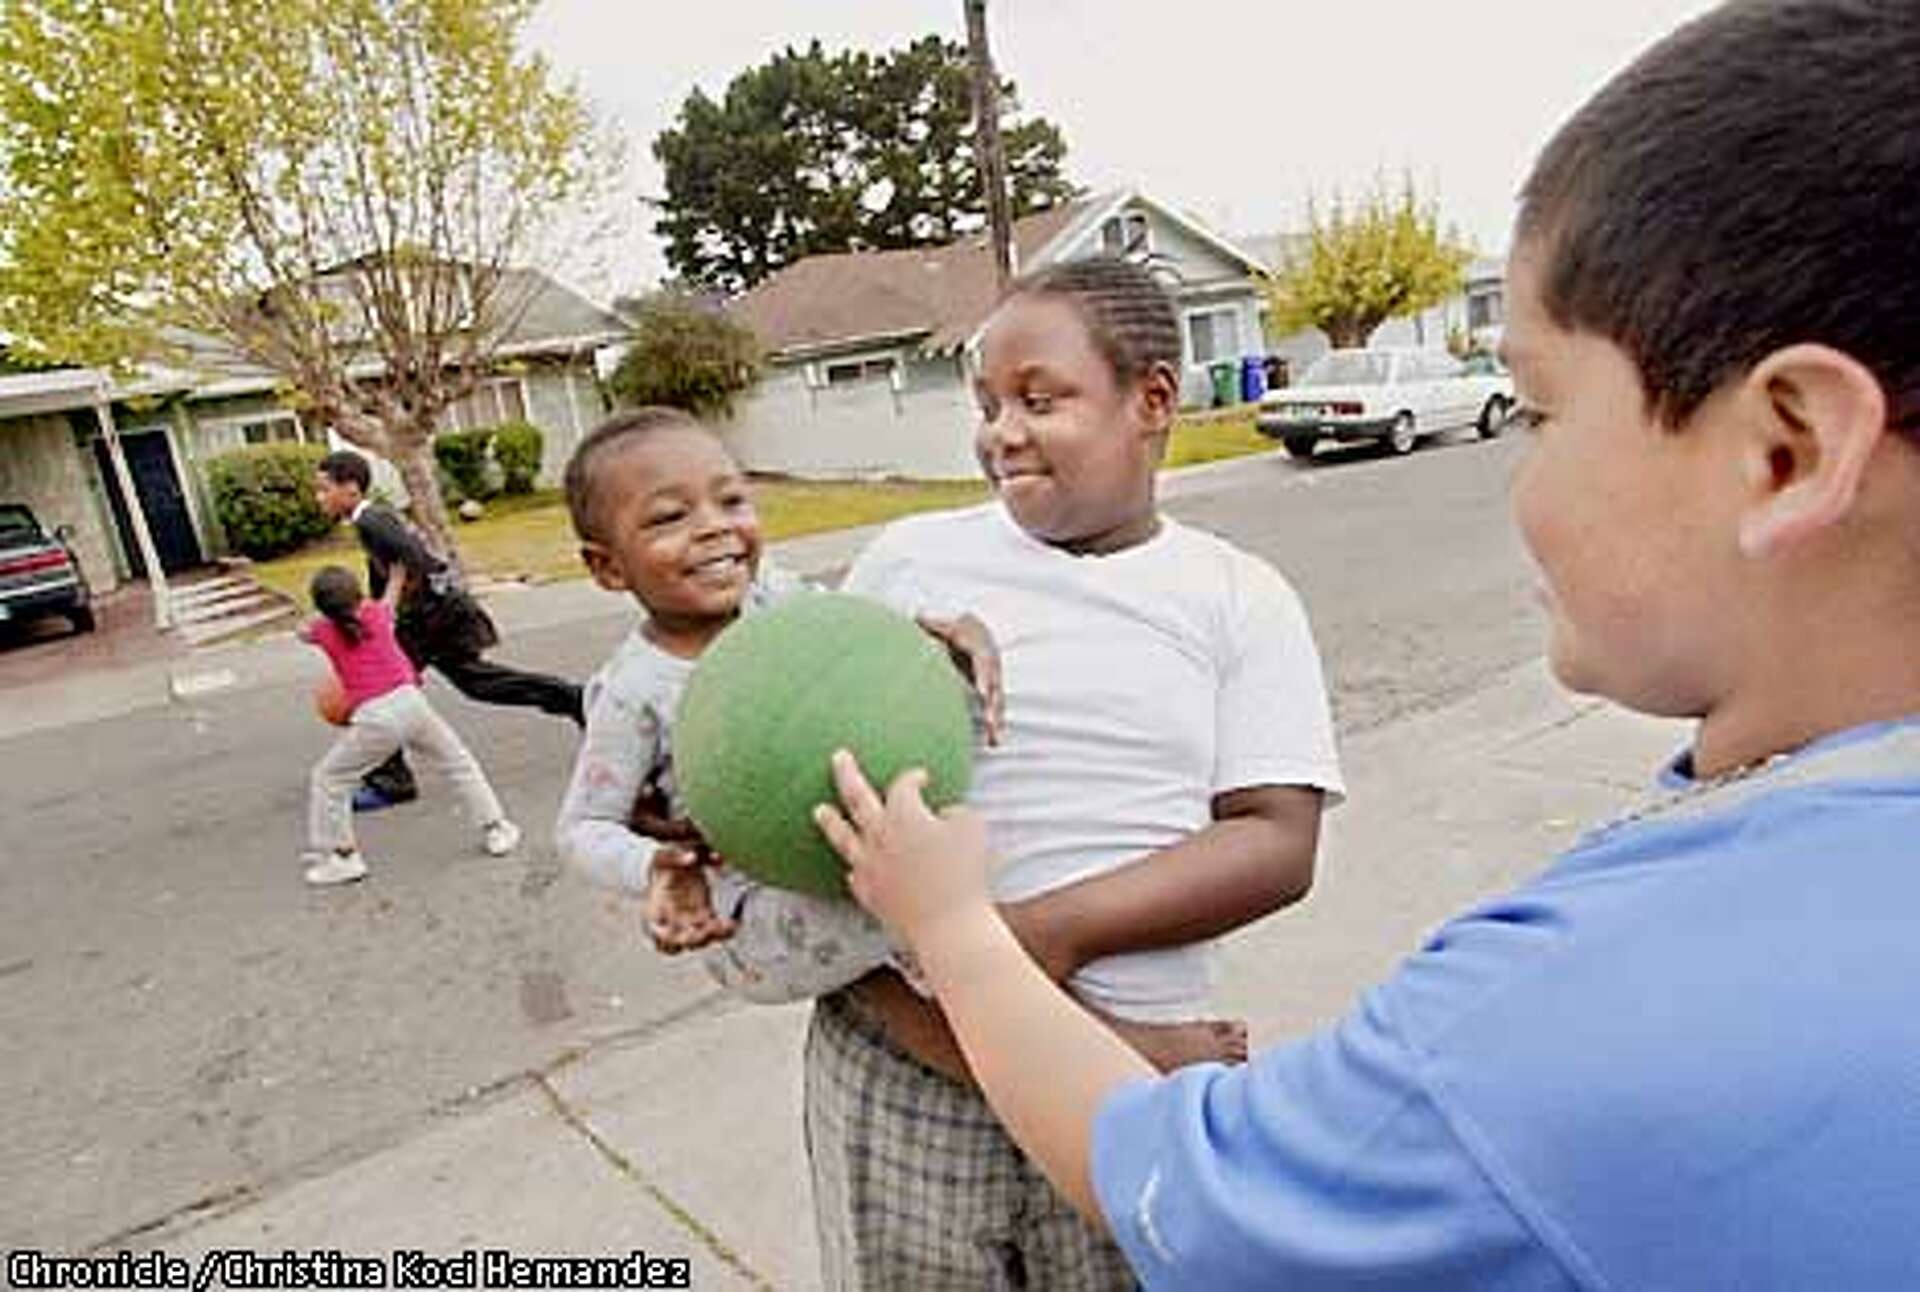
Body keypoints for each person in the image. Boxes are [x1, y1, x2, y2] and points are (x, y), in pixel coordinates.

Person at [813, 2, 1920, 1287]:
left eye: (1541, 412)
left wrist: (961, 926)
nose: (1521, 485)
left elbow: (1193, 1184)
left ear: (1787, 450)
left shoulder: (1551, 1031)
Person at [650, 255, 1340, 1290]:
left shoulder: (1237, 596)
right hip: (900, 1067)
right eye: (985, 404)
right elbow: (788, 736)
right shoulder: (914, 556)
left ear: (1151, 399)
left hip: (1112, 1083)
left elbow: (1277, 841)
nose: (1000, 431)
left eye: (1039, 398)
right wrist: (700, 842)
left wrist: (1045, 930)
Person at [553, 406, 906, 999]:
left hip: (845, 848)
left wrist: (934, 636)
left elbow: (861, 637)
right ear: (608, 566)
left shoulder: (775, 597)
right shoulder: (635, 690)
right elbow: (582, 829)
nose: (715, 527)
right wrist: (659, 866)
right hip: (754, 911)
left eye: (733, 501)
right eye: (669, 517)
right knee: (928, 897)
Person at [312, 450, 583, 810]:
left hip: (430, 618)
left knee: (377, 690)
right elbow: (392, 568)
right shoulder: (372, 520)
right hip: (437, 614)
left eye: (323, 489)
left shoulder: (371, 521)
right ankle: (574, 698)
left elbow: (414, 559)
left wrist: (389, 608)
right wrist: (376, 608)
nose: (319, 498)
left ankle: (391, 781)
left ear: (349, 488)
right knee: (477, 682)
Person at [298, 565, 520, 886]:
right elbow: (391, 595)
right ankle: (497, 828)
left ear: (323, 607)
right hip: (412, 703)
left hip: (375, 718)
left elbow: (301, 631)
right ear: (358, 595)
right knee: (458, 763)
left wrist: (320, 616)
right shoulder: (376, 614)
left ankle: (342, 856)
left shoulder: (323, 631)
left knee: (329, 779)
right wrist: (397, 573)